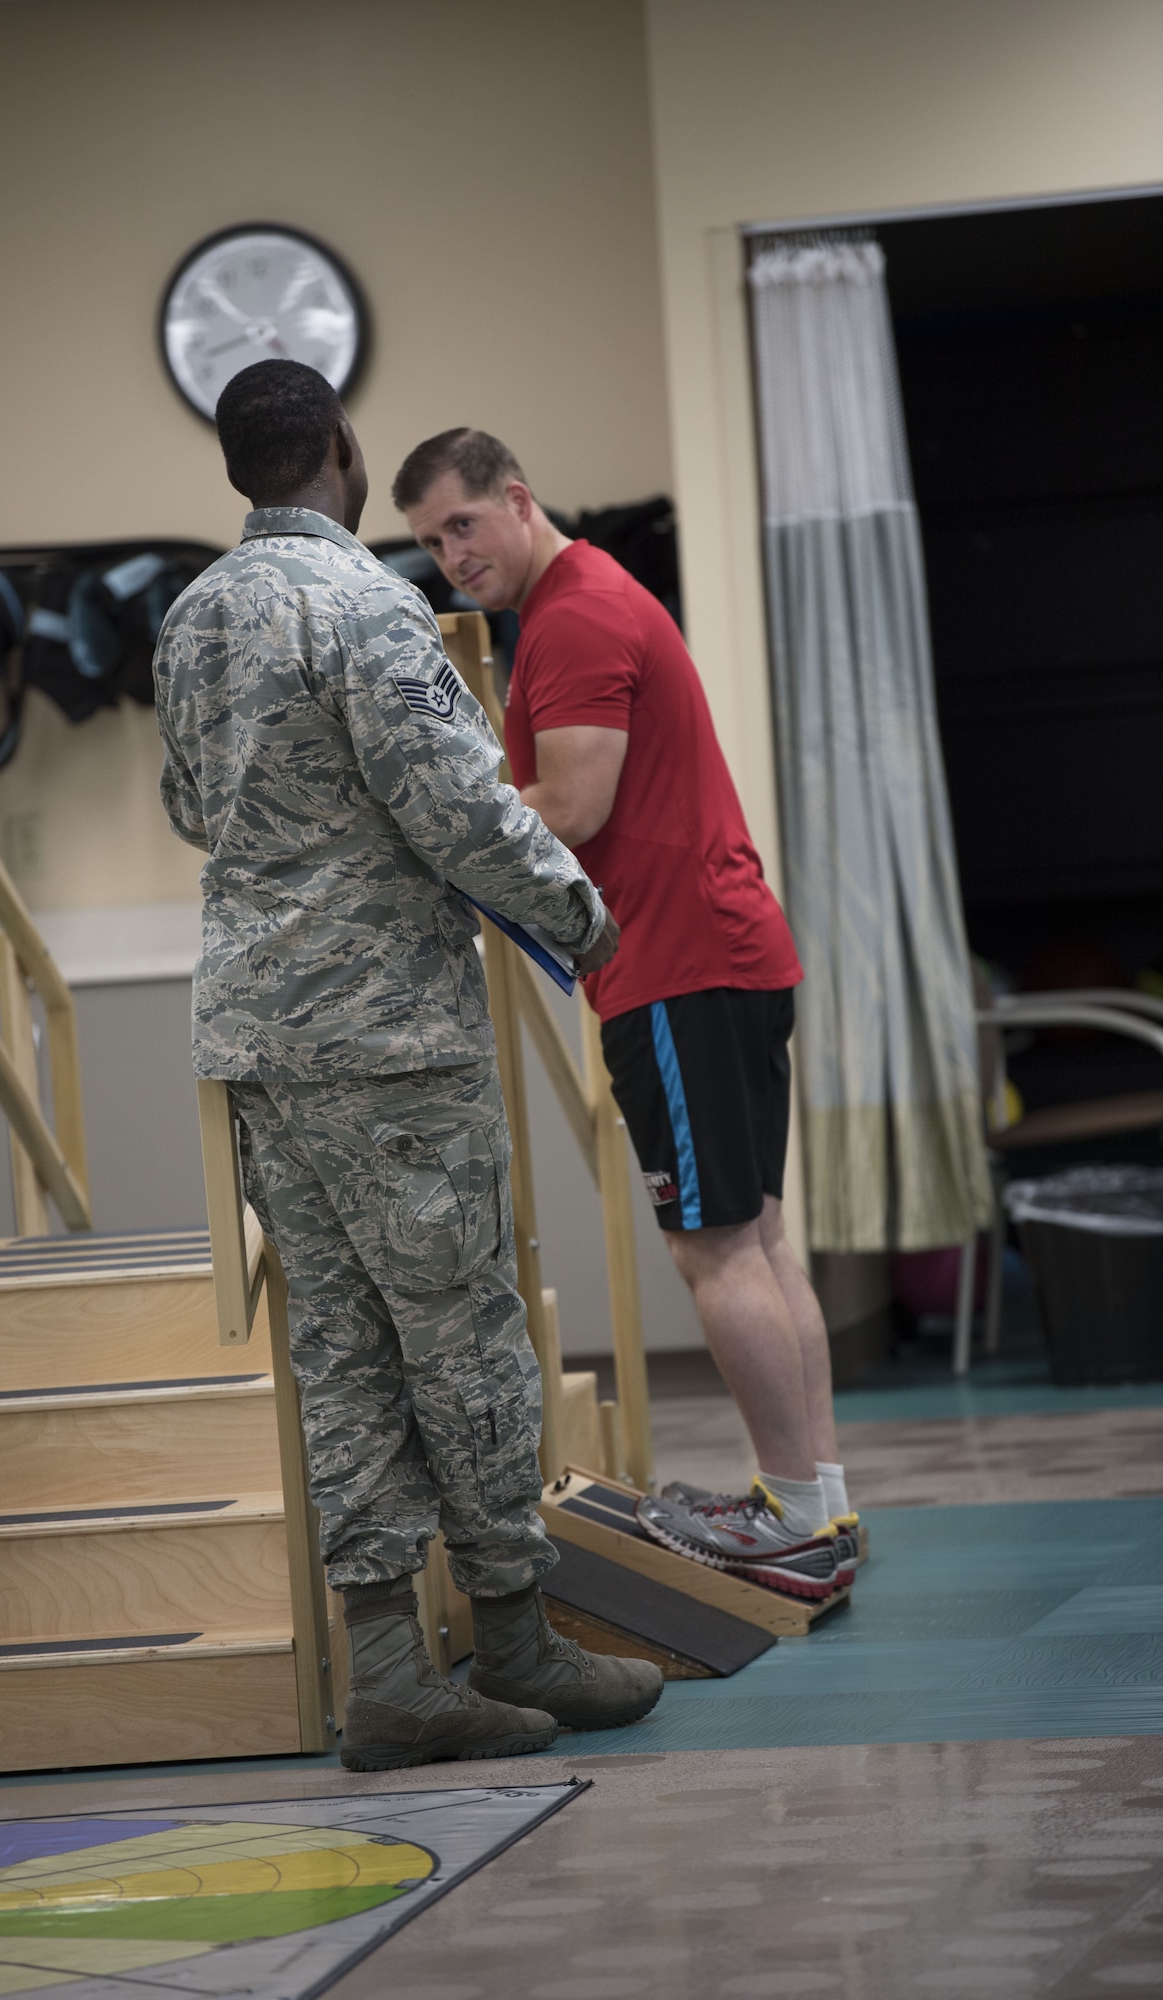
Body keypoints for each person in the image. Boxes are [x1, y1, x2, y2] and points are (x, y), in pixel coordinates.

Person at [155, 363, 663, 1771]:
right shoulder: (369, 607)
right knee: (463, 1338)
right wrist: (580, 915)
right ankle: (512, 1643)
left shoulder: (192, 620)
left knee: (338, 1350)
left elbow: (190, 807)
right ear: (340, 450)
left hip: (256, 1043)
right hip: (387, 1042)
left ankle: (387, 1668)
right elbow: (453, 804)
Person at [394, 428, 855, 1601]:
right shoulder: (580, 601)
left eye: (462, 525)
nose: (451, 556)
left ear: (518, 498)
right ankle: (815, 1500)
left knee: (713, 1252)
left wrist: (431, 833)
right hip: (722, 952)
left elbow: (577, 802)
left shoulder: (575, 618)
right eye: (428, 542)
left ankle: (795, 1511)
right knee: (754, 1238)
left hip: (679, 966)